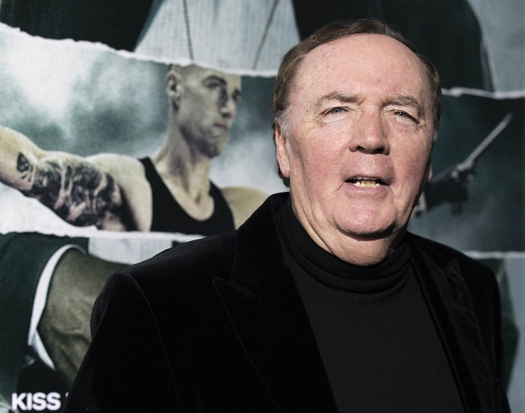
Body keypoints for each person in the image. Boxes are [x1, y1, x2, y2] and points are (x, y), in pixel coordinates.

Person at [64, 19, 510, 412]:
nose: (372, 137)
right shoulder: (159, 305)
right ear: (283, 146)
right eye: (338, 110)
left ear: (429, 152)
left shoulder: (471, 291)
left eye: (402, 113)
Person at [0, 27, 267, 237]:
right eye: (215, 86)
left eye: (235, 96)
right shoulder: (134, 185)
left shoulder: (248, 207)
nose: (228, 107)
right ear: (175, 87)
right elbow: (37, 170)